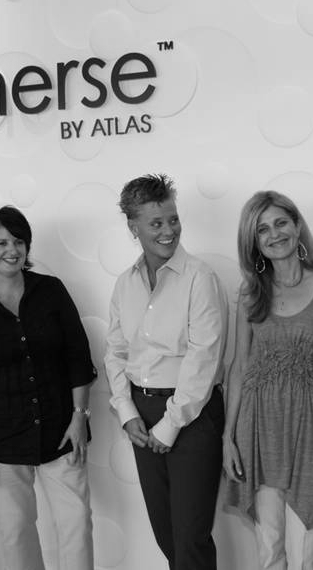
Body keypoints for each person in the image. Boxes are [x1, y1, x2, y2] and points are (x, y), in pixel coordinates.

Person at [0, 206, 95, 570]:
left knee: (76, 523)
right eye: (1, 243)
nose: (12, 250)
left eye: (18, 241)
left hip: (62, 430)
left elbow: (78, 358)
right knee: (16, 533)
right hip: (1, 439)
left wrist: (79, 417)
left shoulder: (51, 291)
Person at [223, 191, 313, 570]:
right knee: (269, 551)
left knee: (309, 554)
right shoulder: (250, 294)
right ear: (254, 242)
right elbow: (239, 366)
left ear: (297, 225)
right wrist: (228, 437)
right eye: (262, 229)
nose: (274, 234)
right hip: (259, 432)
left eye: (281, 222)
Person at [104, 174, 229, 570]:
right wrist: (126, 412)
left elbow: (204, 358)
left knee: (191, 537)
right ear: (133, 227)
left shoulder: (200, 278)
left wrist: (171, 423)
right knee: (166, 534)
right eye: (156, 223)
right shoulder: (125, 284)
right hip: (141, 413)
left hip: (193, 414)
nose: (168, 231)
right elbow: (116, 351)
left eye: (173, 219)